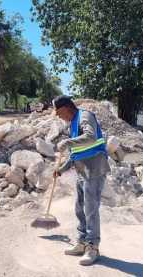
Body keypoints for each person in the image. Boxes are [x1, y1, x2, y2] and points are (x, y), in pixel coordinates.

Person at [52, 96, 110, 266]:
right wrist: (61, 169)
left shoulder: (84, 117)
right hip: (82, 170)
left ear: (66, 108)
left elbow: (91, 137)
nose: (58, 116)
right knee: (80, 207)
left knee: (90, 209)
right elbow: (76, 152)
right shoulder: (74, 123)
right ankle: (82, 242)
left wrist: (68, 142)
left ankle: (92, 247)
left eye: (58, 112)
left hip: (94, 168)